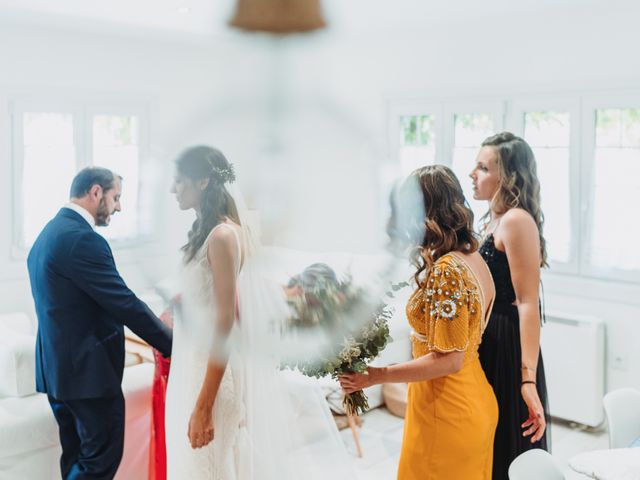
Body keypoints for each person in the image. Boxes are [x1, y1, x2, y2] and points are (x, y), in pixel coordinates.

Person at [164, 145, 353, 480]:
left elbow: (225, 324)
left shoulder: (223, 235)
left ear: (204, 181)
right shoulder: (205, 233)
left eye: (179, 181)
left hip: (209, 378)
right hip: (191, 367)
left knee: (207, 469)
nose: (172, 189)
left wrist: (205, 405)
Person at [340, 165, 498, 480]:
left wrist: (375, 376)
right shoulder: (473, 256)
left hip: (448, 409)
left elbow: (448, 360)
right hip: (469, 399)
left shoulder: (448, 270)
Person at [27, 167, 172, 479]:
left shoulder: (46, 235)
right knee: (98, 463)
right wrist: (170, 342)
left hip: (57, 375)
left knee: (76, 457)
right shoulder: (82, 240)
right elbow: (124, 303)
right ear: (95, 192)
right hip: (88, 378)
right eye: (115, 197)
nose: (118, 206)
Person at [470, 131, 550, 479]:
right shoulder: (491, 219)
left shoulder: (517, 220)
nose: (472, 174)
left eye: (483, 168)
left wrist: (527, 380)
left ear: (507, 177)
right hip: (487, 338)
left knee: (508, 441)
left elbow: (528, 303)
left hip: (508, 346)